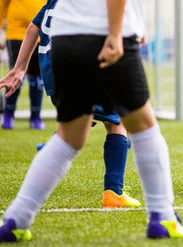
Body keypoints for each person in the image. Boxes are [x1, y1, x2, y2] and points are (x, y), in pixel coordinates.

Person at [0, 0, 183, 242]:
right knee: (142, 127)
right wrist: (115, 33)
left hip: (64, 39)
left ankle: (16, 220)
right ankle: (162, 217)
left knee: (69, 138)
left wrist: (19, 67)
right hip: (104, 32)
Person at [0, 0, 141, 209]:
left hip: (52, 74)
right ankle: (113, 192)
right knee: (117, 121)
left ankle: (53, 147)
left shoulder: (54, 2)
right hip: (76, 68)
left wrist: (20, 69)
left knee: (75, 125)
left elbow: (32, 29)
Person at [0, 0, 46, 130]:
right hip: (16, 33)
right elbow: (2, 5)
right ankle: (8, 115)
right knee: (16, 74)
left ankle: (36, 117)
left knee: (38, 78)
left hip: (40, 34)